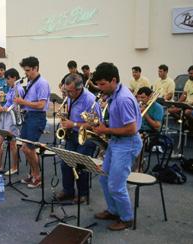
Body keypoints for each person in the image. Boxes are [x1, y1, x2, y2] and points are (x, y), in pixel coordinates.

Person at [91, 62, 142, 231]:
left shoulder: (123, 99)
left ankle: (127, 218)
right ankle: (113, 210)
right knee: (104, 178)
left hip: (127, 144)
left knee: (116, 185)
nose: (100, 88)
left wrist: (105, 129)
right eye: (98, 84)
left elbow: (131, 128)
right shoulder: (115, 94)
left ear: (114, 80)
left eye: (102, 84)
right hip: (117, 141)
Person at [55, 73, 101, 203]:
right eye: (66, 90)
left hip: (87, 136)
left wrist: (73, 124)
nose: (67, 94)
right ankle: (68, 191)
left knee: (81, 165)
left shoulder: (90, 100)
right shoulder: (71, 96)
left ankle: (83, 194)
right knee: (65, 164)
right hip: (72, 134)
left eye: (70, 91)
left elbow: (95, 124)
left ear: (79, 88)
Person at [14, 56, 50, 188]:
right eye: (25, 71)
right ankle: (33, 174)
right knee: (25, 148)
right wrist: (21, 106)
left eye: (28, 70)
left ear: (36, 68)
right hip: (29, 117)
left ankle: (37, 176)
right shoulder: (30, 82)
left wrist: (23, 102)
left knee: (30, 149)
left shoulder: (42, 83)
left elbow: (41, 105)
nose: (26, 74)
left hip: (37, 117)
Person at [0, 68, 25, 175]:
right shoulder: (11, 88)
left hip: (13, 119)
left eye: (8, 79)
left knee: (12, 144)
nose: (6, 81)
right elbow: (8, 103)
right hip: (6, 117)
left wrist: (3, 109)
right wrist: (0, 108)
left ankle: (15, 167)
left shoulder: (19, 89)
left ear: (14, 78)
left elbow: (17, 106)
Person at [167, 65, 193, 132]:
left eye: (192, 73)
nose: (190, 75)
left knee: (187, 112)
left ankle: (191, 127)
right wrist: (177, 103)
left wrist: (189, 103)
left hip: (191, 106)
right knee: (170, 110)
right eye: (189, 73)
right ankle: (184, 123)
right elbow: (184, 94)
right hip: (186, 104)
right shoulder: (188, 81)